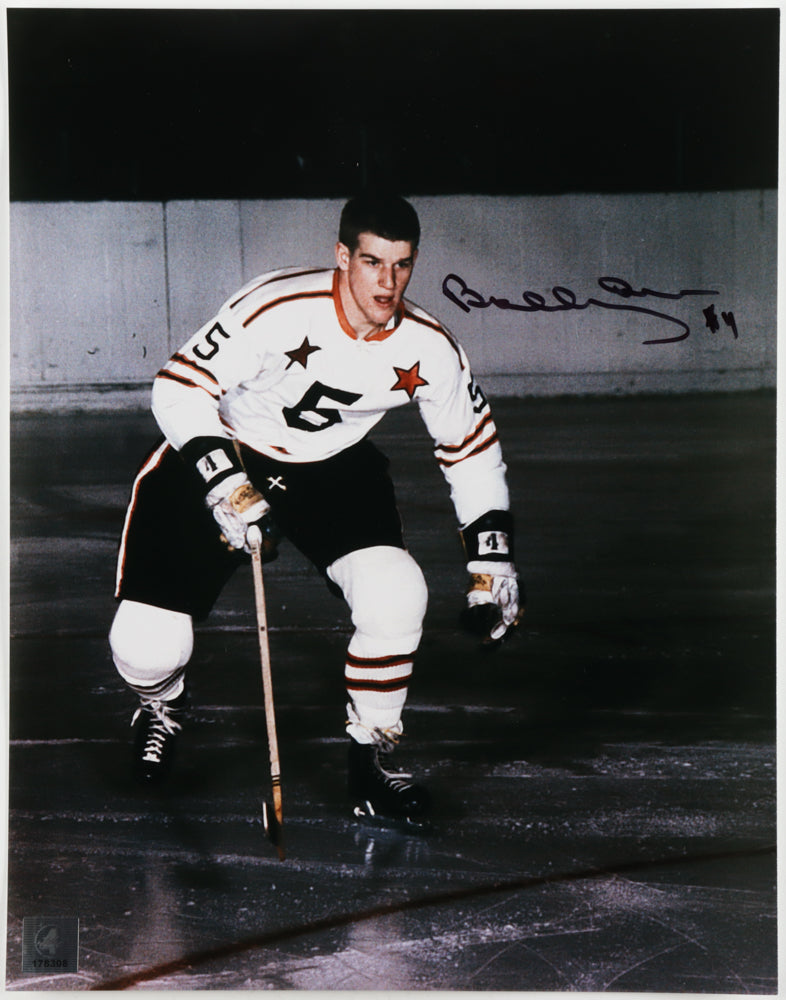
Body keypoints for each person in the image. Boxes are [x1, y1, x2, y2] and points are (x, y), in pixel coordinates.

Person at [109, 193, 522, 827]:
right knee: (146, 647)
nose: (387, 283)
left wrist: (492, 565)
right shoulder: (277, 307)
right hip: (227, 450)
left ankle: (373, 764)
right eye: (372, 262)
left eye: (402, 265)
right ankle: (162, 704)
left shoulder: (429, 346)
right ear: (342, 256)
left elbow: (470, 448)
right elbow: (179, 386)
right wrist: (227, 487)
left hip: (334, 468)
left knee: (396, 594)